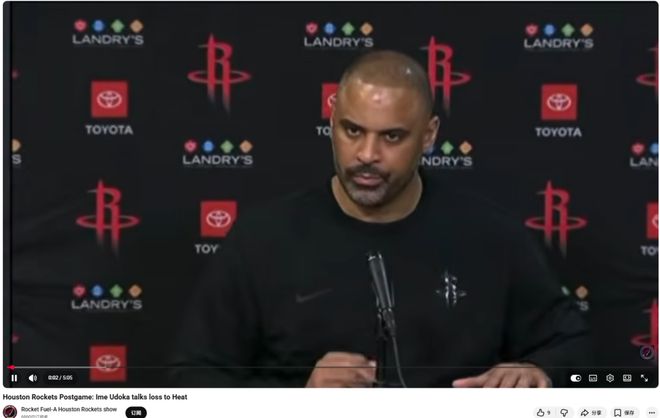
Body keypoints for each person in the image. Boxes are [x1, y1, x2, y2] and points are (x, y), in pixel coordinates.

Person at [170, 50, 590, 388]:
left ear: (428, 135)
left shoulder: (491, 237)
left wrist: (538, 372)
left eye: (392, 136)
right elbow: (191, 379)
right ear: (331, 122)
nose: (367, 155)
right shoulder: (263, 240)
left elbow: (571, 345)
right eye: (352, 131)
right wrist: (299, 397)